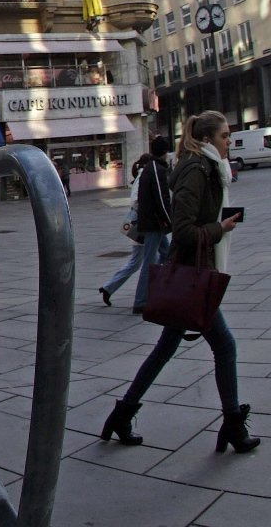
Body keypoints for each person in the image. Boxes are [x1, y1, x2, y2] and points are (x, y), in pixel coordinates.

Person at [101, 111, 258, 454]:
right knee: (225, 346)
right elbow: (183, 230)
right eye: (225, 136)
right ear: (206, 139)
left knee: (165, 348)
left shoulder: (209, 168)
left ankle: (122, 413)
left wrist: (219, 222)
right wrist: (222, 228)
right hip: (192, 275)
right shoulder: (197, 170)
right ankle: (232, 424)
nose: (229, 141)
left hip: (193, 272)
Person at [99, 137, 173, 312]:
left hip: (150, 223)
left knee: (163, 255)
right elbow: (160, 200)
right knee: (144, 262)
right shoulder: (155, 171)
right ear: (164, 152)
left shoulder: (149, 170)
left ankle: (155, 289)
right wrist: (169, 221)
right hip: (151, 224)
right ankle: (141, 299)